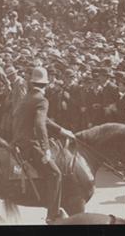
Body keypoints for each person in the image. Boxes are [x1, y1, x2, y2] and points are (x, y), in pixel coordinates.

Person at [12, 66, 75, 224]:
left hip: (19, 140)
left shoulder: (28, 96)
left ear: (32, 82)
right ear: (46, 84)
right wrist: (46, 149)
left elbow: (43, 120)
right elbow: (40, 125)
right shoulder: (42, 100)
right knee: (56, 174)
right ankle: (52, 215)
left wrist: (62, 130)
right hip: (29, 144)